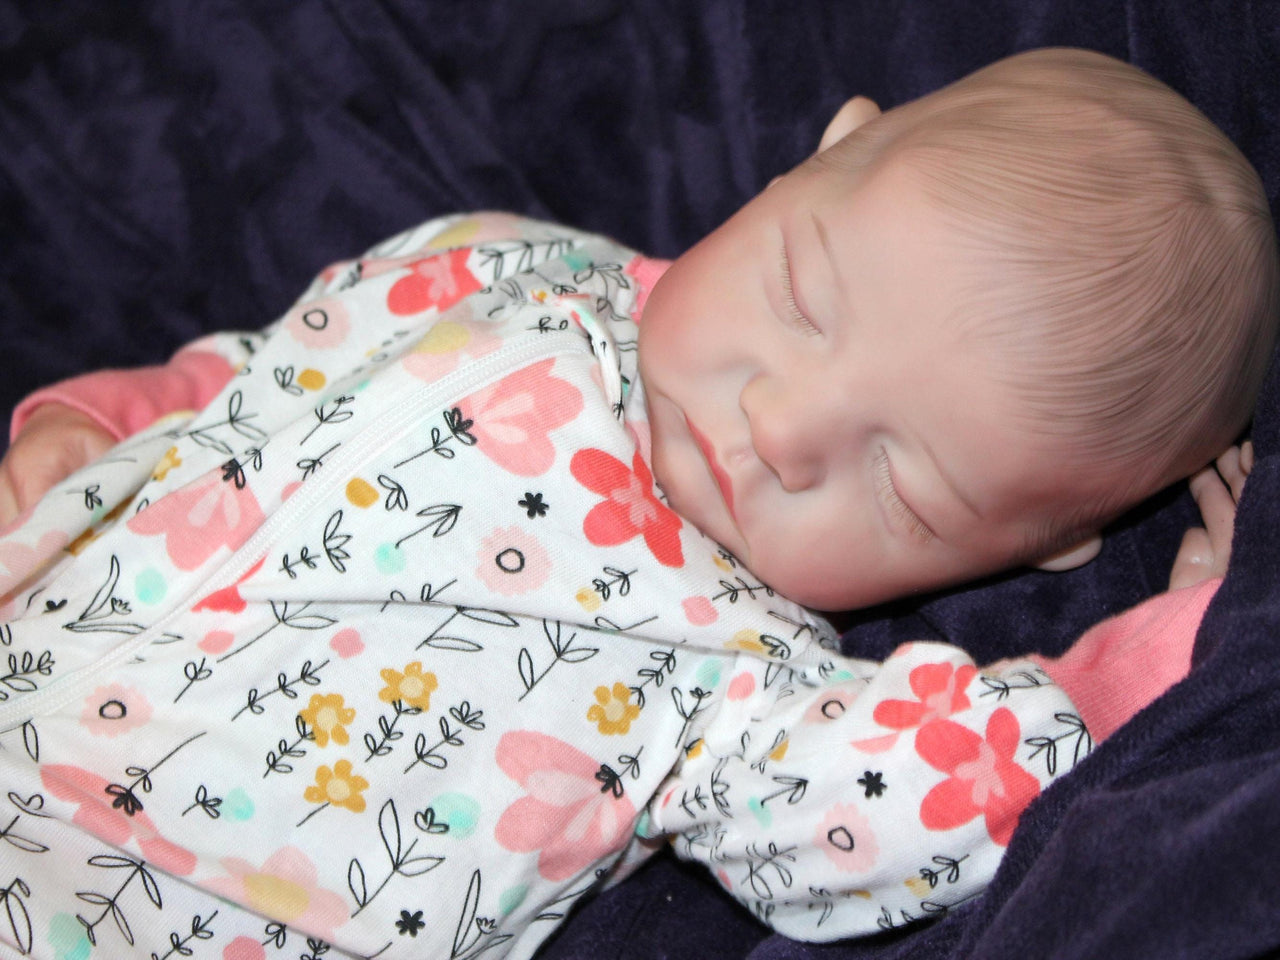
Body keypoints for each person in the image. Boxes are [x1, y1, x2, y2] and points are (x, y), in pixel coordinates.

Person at [0, 47, 1271, 960]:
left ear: (1038, 551)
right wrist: (95, 422)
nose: (780, 426)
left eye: (901, 480)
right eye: (802, 299)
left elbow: (913, 795)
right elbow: (275, 354)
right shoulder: (508, 259)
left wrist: (1158, 660)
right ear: (814, 163)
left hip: (149, 908)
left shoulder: (732, 671)